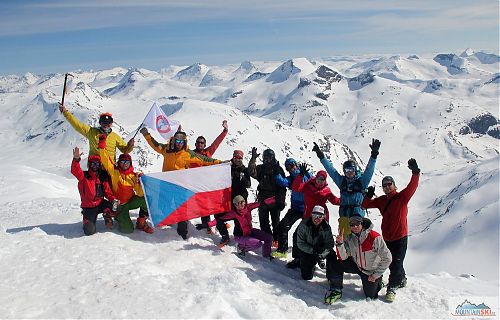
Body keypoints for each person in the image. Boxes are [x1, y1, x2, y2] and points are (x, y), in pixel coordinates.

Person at [140, 128, 222, 239]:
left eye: (181, 142)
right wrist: (147, 135)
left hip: (180, 186)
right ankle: (165, 224)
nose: (179, 144)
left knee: (182, 209)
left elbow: (203, 159)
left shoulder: (187, 154)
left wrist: (220, 163)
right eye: (177, 141)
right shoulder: (166, 149)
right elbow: (155, 145)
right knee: (165, 205)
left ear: (184, 143)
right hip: (166, 184)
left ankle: (183, 232)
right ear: (174, 141)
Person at [362, 158, 420, 302]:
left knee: (396, 263)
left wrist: (415, 172)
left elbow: (412, 186)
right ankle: (402, 279)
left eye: (389, 184)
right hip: (387, 237)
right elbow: (365, 205)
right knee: (390, 261)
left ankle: (392, 288)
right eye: (384, 185)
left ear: (394, 185)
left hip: (400, 237)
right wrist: (368, 195)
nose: (387, 187)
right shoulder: (382, 200)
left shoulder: (402, 197)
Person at [312, 139, 380, 235]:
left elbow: (369, 171)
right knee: (344, 242)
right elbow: (331, 170)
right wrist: (321, 156)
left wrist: (374, 155)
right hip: (344, 218)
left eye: (351, 170)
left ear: (355, 170)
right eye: (347, 170)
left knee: (357, 243)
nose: (349, 172)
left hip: (357, 218)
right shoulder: (342, 182)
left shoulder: (361, 182)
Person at [324, 215, 392, 304]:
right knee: (336, 264)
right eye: (352, 224)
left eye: (357, 224)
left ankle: (379, 282)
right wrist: (340, 244)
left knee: (371, 295)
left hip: (370, 271)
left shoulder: (374, 237)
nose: (355, 227)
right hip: (357, 265)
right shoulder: (349, 238)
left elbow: (387, 258)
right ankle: (336, 289)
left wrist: (376, 275)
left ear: (362, 224)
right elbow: (344, 257)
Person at [286, 165, 340, 268]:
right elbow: (296, 188)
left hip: (321, 219)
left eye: (323, 179)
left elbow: (335, 201)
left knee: (320, 239)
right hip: (307, 217)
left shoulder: (326, 190)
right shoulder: (308, 185)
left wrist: (350, 200)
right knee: (297, 235)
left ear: (325, 180)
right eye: (319, 178)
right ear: (316, 177)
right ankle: (298, 258)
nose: (320, 181)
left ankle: (320, 257)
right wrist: (300, 175)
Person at [98, 134, 153, 234]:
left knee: (146, 199)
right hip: (119, 205)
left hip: (130, 202)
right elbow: (106, 160)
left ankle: (141, 222)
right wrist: (102, 146)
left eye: (127, 162)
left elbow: (140, 194)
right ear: (119, 162)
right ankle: (114, 215)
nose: (124, 164)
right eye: (122, 161)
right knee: (127, 230)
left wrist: (141, 183)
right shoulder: (114, 172)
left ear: (130, 164)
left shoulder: (133, 176)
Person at [196, 195, 274, 260]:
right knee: (258, 243)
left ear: (244, 201)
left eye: (242, 202)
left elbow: (261, 203)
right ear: (235, 205)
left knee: (269, 238)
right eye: (237, 204)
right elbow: (218, 220)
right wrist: (205, 225)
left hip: (250, 232)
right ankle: (241, 248)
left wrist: (275, 198)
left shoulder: (249, 207)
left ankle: (266, 255)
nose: (240, 205)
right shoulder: (233, 213)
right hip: (240, 236)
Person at [59, 104, 134, 162]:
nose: (106, 125)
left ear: (111, 124)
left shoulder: (115, 136)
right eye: (104, 123)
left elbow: (125, 150)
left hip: (110, 169)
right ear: (100, 123)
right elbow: (77, 125)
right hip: (95, 168)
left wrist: (130, 145)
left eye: (108, 123)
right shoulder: (91, 132)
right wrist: (66, 113)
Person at [191, 120, 229, 233]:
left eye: (202, 143)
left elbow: (216, 143)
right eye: (198, 142)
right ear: (195, 144)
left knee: (214, 204)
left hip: (208, 184)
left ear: (205, 144)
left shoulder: (207, 153)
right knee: (203, 206)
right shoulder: (189, 154)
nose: (200, 144)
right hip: (195, 184)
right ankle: (207, 226)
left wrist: (225, 131)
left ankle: (220, 223)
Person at [209, 150, 252, 246]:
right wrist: (221, 166)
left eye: (240, 158)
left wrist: (243, 178)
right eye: (236, 157)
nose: (238, 160)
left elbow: (248, 184)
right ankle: (225, 236)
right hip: (226, 199)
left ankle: (240, 238)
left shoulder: (244, 170)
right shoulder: (227, 167)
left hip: (240, 200)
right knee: (219, 217)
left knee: (239, 221)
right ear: (233, 157)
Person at [71, 147, 117, 235]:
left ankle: (107, 216)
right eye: (92, 164)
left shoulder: (102, 177)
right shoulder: (84, 176)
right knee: (89, 231)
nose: (95, 166)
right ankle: (87, 219)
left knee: (117, 207)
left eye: (97, 164)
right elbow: (75, 171)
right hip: (89, 207)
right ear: (89, 165)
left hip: (100, 203)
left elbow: (107, 192)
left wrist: (113, 199)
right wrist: (76, 160)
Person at [271, 158, 312, 258]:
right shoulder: (291, 179)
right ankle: (282, 250)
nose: (291, 168)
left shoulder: (306, 175)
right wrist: (276, 173)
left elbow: (314, 181)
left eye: (292, 165)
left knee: (299, 234)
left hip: (307, 209)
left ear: (296, 164)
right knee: (282, 226)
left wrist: (304, 173)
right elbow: (282, 182)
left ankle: (298, 257)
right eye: (288, 167)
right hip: (295, 208)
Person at [248, 147, 287, 247]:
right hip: (263, 199)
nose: (267, 159)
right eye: (265, 157)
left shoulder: (278, 169)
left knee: (276, 222)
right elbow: (251, 172)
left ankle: (277, 240)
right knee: (263, 221)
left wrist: (281, 200)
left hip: (275, 199)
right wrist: (253, 159)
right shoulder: (261, 168)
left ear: (273, 157)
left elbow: (283, 186)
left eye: (269, 157)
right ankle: (268, 239)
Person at [295, 206, 336, 281]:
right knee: (307, 276)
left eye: (320, 216)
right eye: (315, 215)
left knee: (332, 255)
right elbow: (300, 243)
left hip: (321, 249)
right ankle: (310, 263)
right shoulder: (304, 225)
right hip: (308, 250)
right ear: (311, 215)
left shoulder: (326, 227)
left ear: (323, 217)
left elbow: (330, 244)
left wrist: (322, 253)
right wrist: (313, 250)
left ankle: (331, 276)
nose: (317, 218)